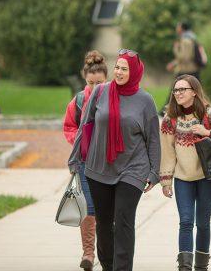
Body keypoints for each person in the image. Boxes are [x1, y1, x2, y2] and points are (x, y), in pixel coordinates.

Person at [68, 49, 160, 271]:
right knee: (104, 224)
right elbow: (84, 126)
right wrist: (75, 160)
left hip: (133, 169)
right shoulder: (100, 92)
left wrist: (154, 172)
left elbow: (153, 139)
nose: (118, 72)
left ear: (135, 72)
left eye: (124, 68)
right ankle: (108, 266)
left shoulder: (145, 101)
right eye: (117, 67)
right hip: (99, 167)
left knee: (124, 222)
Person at [159, 74, 211, 271]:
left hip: (207, 177)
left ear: (194, 92)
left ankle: (201, 267)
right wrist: (166, 180)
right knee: (186, 221)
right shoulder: (170, 119)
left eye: (182, 90)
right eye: (175, 90)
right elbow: (167, 152)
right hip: (183, 179)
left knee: (202, 223)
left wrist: (209, 132)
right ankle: (184, 267)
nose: (177, 93)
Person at [63, 51, 108, 271]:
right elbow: (69, 126)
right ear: (85, 79)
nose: (95, 87)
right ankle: (88, 253)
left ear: (106, 80)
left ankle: (107, 252)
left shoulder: (114, 99)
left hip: (110, 161)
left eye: (99, 82)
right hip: (85, 162)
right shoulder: (79, 101)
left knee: (107, 208)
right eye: (91, 82)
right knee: (89, 208)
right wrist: (78, 140)